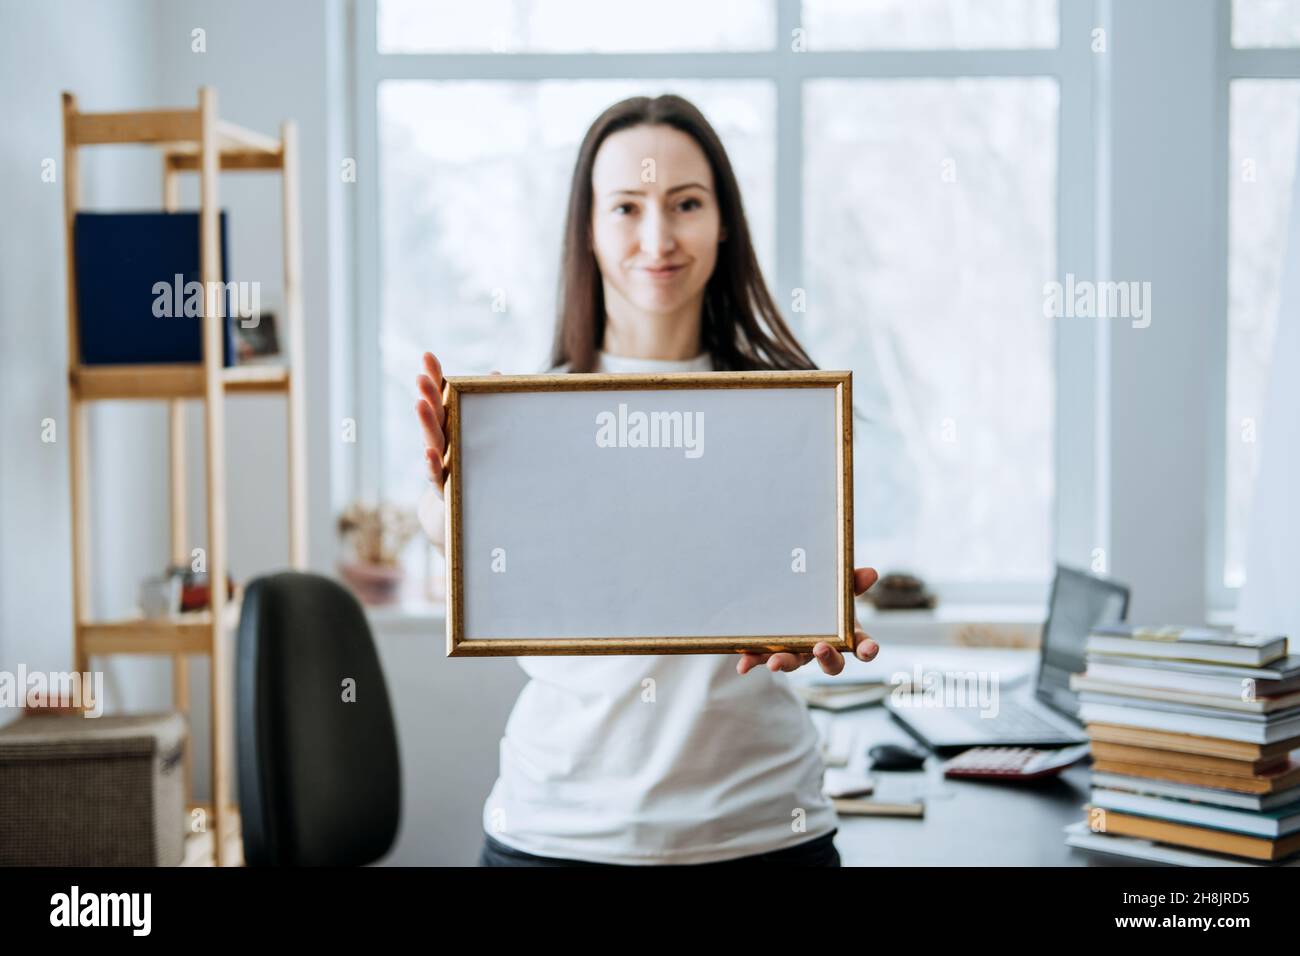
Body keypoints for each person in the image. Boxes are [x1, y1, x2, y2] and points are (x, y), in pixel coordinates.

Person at [415, 94, 881, 867]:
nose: (657, 237)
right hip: (556, 834)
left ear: (724, 219)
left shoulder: (791, 410)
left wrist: (815, 623)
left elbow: (798, 603)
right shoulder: (517, 420)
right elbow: (450, 542)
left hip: (764, 833)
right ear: (589, 231)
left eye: (685, 203)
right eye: (626, 207)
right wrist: (445, 518)